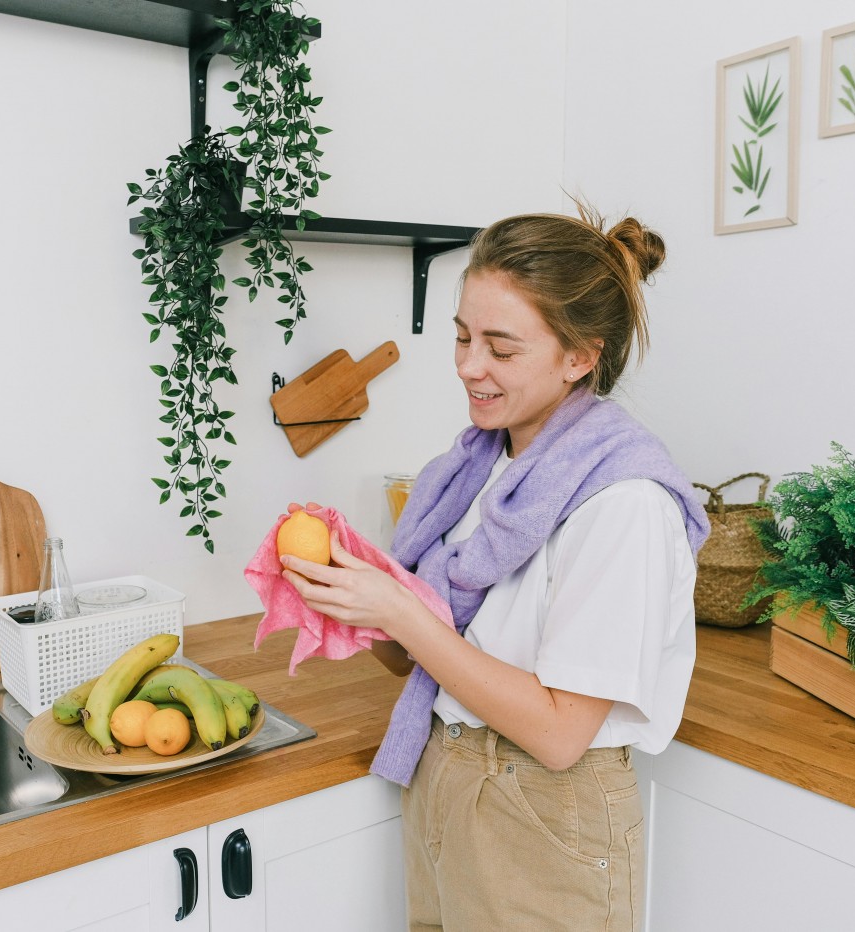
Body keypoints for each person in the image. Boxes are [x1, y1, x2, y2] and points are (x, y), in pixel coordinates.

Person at [278, 200, 710, 932]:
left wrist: (402, 612)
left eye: (501, 349)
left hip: (546, 809)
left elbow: (558, 733)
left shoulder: (623, 504)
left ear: (580, 357)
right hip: (446, 777)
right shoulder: (474, 469)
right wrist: (360, 595)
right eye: (461, 338)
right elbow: (426, 659)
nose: (469, 368)